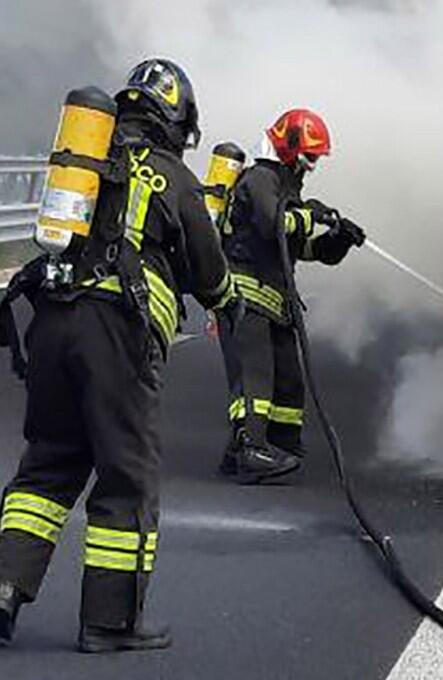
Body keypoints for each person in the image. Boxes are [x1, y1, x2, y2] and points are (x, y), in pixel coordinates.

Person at [0, 59, 236, 652]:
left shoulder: (89, 158)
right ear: (178, 119)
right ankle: (109, 622)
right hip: (117, 334)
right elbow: (206, 267)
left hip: (51, 320)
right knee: (126, 474)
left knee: (47, 465)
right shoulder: (172, 175)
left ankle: (3, 590)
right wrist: (227, 300)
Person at [217, 108, 364, 484]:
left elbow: (301, 249)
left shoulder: (285, 188)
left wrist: (338, 239)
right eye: (309, 157)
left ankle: (278, 448)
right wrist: (310, 216)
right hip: (246, 296)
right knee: (256, 374)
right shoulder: (260, 178)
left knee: (289, 381)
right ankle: (249, 450)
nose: (312, 166)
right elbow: (273, 226)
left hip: (275, 300)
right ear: (289, 147)